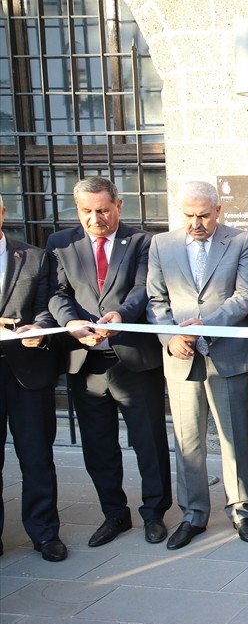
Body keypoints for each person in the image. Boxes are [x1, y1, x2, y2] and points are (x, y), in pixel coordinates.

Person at [46, 177, 173, 548]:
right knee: (98, 446)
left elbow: (143, 289)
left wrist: (120, 315)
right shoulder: (60, 243)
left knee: (149, 441)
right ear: (77, 210)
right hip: (84, 360)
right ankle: (114, 514)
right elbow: (56, 292)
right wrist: (70, 322)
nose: (95, 218)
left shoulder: (142, 242)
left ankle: (154, 513)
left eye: (102, 210)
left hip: (132, 358)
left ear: (118, 205)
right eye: (87, 211)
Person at [146, 180, 248, 549]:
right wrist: (170, 337)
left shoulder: (241, 242)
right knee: (187, 441)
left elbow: (245, 296)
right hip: (181, 357)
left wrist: (205, 325)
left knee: (234, 439)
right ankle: (193, 514)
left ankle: (241, 510)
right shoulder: (161, 244)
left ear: (218, 211)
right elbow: (155, 300)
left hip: (227, 355)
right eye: (189, 216)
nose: (196, 223)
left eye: (204, 216)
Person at [0, 204, 66, 561]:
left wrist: (39, 329)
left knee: (37, 457)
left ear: (3, 212)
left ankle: (44, 534)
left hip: (28, 369)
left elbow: (45, 305)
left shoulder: (34, 257)